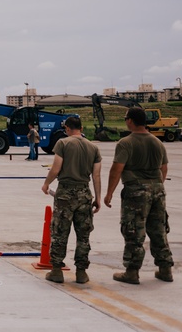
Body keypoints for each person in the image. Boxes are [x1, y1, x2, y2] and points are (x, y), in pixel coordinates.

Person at [104, 107, 174, 284]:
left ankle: (132, 271)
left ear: (130, 121)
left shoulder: (125, 143)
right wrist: (156, 187)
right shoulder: (158, 142)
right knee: (158, 230)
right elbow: (164, 168)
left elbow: (116, 169)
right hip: (157, 189)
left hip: (136, 190)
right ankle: (165, 269)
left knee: (134, 230)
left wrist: (109, 193)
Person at [40, 116, 102, 284]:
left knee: (60, 232)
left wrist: (46, 183)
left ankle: (57, 270)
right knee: (83, 235)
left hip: (65, 193)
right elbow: (96, 176)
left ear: (67, 128)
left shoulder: (63, 143)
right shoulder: (93, 148)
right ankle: (81, 272)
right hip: (84, 192)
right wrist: (98, 198)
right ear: (81, 128)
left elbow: (56, 168)